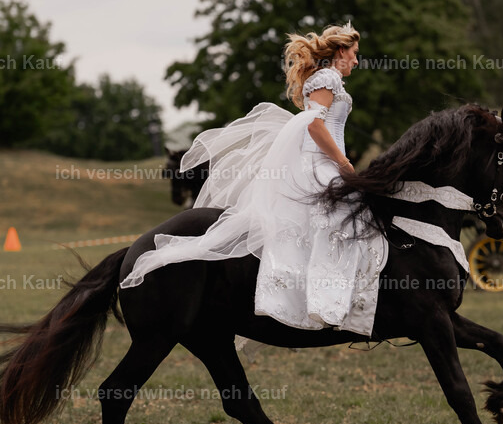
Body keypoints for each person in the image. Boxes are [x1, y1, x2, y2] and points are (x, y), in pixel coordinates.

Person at [119, 23, 387, 336]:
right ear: (341, 52)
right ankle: (323, 296)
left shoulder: (330, 79)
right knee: (343, 217)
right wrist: (342, 162)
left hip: (321, 160)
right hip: (319, 162)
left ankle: (336, 294)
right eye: (354, 54)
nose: (356, 61)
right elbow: (315, 127)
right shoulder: (328, 77)